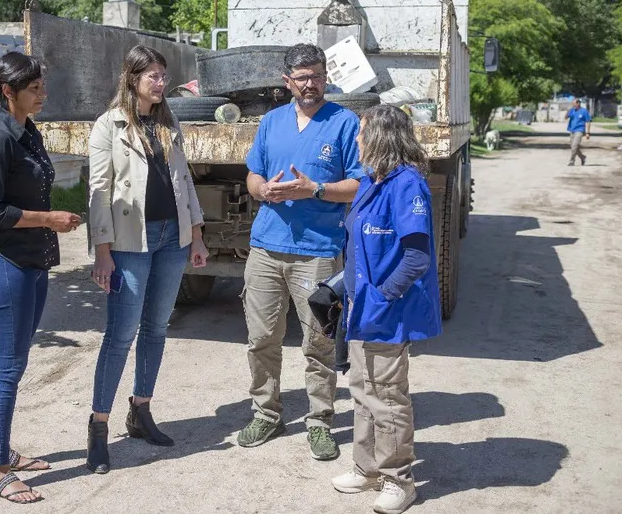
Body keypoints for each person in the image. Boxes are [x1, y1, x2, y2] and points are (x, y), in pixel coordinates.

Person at [85, 45, 209, 474]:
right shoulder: (109, 125)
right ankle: (99, 428)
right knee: (120, 334)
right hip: (129, 243)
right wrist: (102, 251)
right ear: (132, 78)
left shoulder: (168, 121)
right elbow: (98, 191)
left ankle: (141, 411)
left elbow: (185, 182)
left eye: (163, 74)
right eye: (152, 75)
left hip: (171, 238)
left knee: (156, 328)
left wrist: (195, 233)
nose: (160, 82)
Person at [239, 43, 363, 461]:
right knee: (261, 339)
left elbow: (361, 185)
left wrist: (316, 189)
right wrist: (263, 190)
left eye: (317, 75)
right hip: (266, 249)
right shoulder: (271, 122)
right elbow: (253, 174)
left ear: (326, 77)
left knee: (320, 343)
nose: (310, 84)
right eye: (302, 77)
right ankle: (266, 413)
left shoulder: (345, 123)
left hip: (319, 252)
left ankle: (320, 421)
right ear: (287, 81)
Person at [0, 52, 82, 504]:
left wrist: (46, 226)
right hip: (7, 265)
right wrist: (47, 218)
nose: (43, 94)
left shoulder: (28, 131)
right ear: (8, 92)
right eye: (35, 88)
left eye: (41, 86)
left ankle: (6, 453)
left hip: (32, 263)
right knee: (8, 368)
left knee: (16, 364)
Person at [330, 104, 442, 514]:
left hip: (386, 311)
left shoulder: (406, 185)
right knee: (361, 390)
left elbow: (416, 258)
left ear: (380, 137)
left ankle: (399, 480)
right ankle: (366, 468)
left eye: (361, 133)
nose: (357, 140)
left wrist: (381, 296)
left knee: (388, 396)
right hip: (361, 307)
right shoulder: (372, 181)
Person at [566, 98, 591, 166]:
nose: (573, 105)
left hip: (580, 130)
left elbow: (588, 121)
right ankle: (583, 157)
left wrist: (587, 133)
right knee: (573, 147)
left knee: (574, 145)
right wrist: (568, 111)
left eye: (574, 104)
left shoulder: (584, 111)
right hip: (572, 130)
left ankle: (572, 161)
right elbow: (566, 117)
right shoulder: (572, 110)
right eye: (572, 104)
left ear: (578, 103)